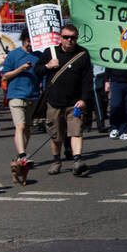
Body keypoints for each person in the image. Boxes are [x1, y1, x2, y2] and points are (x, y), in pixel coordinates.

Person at [38, 23, 94, 176]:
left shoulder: (82, 54)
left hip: (74, 102)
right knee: (55, 134)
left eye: (73, 38)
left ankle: (77, 160)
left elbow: (88, 79)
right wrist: (48, 66)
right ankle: (56, 161)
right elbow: (37, 71)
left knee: (76, 131)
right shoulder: (50, 52)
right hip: (54, 101)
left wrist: (84, 99)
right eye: (66, 37)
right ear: (60, 38)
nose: (69, 40)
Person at [0, 28, 43, 177]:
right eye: (29, 41)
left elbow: (42, 74)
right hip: (16, 95)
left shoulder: (38, 55)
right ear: (24, 39)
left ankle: (21, 155)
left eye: (34, 42)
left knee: (27, 128)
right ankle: (23, 154)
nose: (31, 45)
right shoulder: (13, 55)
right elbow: (5, 75)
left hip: (33, 96)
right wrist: (21, 69)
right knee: (21, 125)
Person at [106, 65, 127, 140]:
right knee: (115, 105)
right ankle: (114, 127)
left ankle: (124, 131)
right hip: (116, 81)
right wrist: (106, 81)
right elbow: (108, 64)